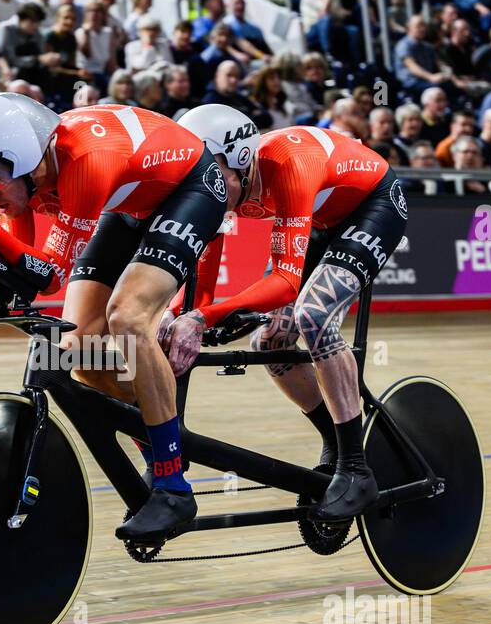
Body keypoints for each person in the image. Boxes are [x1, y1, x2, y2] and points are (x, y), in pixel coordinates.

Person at [0, 93, 249, 541]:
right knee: (77, 349)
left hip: (191, 188)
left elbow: (51, 275)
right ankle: (156, 436)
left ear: (29, 164)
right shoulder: (30, 174)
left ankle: (174, 486)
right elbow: (28, 272)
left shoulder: (83, 162)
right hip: (132, 201)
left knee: (128, 319)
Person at [164, 114, 408, 520]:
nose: (204, 183)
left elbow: (284, 283)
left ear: (242, 158)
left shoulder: (287, 164)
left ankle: (356, 469)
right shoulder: (225, 183)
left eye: (211, 173)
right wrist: (177, 316)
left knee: (313, 316)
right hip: (325, 216)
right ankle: (336, 438)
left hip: (374, 205)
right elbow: (201, 285)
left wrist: (205, 317)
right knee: (270, 342)